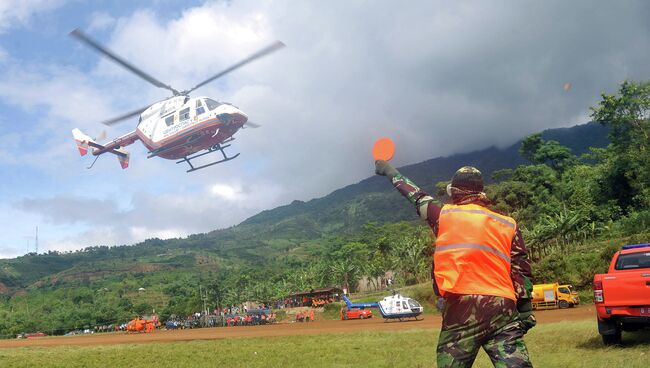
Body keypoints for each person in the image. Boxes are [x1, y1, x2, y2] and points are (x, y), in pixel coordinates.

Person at [375, 162, 536, 368]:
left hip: (461, 308)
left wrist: (389, 171)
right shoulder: (507, 223)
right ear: (480, 192)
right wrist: (525, 308)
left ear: (455, 192)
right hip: (502, 308)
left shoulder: (442, 215)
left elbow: (415, 194)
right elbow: (521, 267)